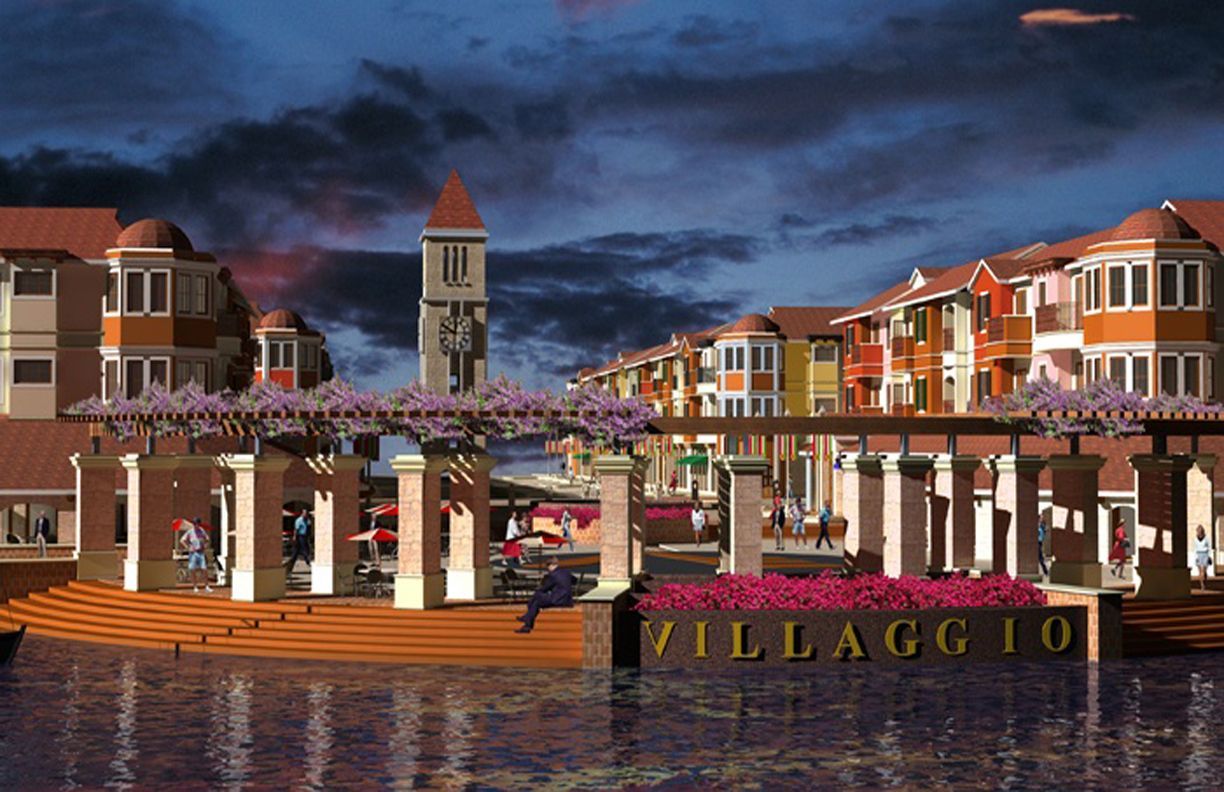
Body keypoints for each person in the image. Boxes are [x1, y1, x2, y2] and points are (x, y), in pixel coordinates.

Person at [515, 558, 576, 634]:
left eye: (548, 567)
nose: (548, 569)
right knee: (536, 601)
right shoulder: (566, 572)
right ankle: (527, 623)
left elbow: (545, 588)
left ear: (551, 565)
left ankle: (527, 620)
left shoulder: (553, 575)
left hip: (557, 600)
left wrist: (538, 591)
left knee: (536, 598)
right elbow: (574, 580)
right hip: (568, 600)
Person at [180, 517, 213, 593]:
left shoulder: (201, 531)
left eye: (197, 524)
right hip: (193, 553)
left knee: (204, 569)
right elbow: (182, 540)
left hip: (201, 552)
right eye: (194, 524)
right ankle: (195, 586)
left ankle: (207, 586)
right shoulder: (190, 532)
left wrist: (205, 545)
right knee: (192, 569)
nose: (196, 525)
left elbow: (207, 539)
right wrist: (188, 547)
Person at [285, 508, 313, 576]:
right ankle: (289, 569)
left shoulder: (308, 521)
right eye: (304, 513)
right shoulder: (299, 520)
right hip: (299, 537)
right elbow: (296, 530)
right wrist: (294, 537)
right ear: (302, 514)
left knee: (306, 552)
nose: (305, 515)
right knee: (296, 554)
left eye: (306, 513)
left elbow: (309, 529)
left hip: (305, 537)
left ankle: (309, 564)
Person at [1194, 524, 1212, 592]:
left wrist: (1209, 556)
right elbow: (1195, 548)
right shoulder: (1195, 539)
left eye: (1200, 531)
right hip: (1198, 554)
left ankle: (1204, 582)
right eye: (1198, 531)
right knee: (1200, 572)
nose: (1199, 532)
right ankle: (1202, 585)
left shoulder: (1206, 538)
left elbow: (1209, 547)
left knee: (1203, 571)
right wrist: (1196, 557)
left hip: (1205, 554)